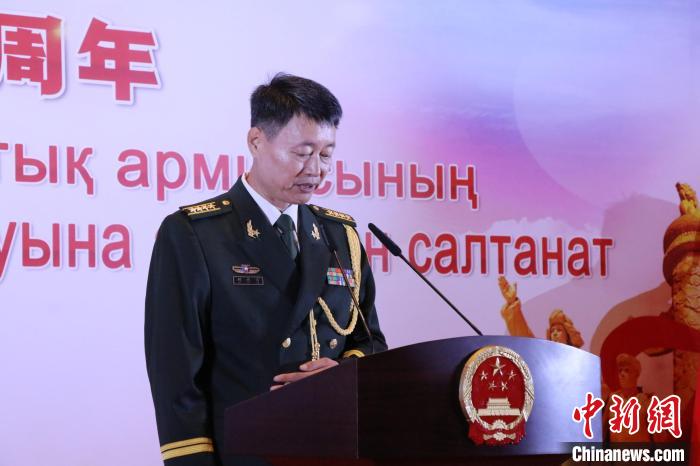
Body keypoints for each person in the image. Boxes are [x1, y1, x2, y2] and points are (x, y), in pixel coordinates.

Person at [145, 73, 388, 466]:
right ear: (256, 141)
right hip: (245, 454)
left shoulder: (339, 236)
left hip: (332, 448)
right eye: (302, 153)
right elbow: (175, 374)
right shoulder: (195, 234)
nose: (316, 169)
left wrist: (340, 374)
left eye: (326, 154)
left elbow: (370, 341)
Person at [497, 276, 584, 347]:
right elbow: (525, 339)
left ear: (568, 336)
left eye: (559, 330)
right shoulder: (543, 355)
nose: (554, 334)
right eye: (552, 331)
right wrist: (512, 303)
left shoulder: (577, 357)